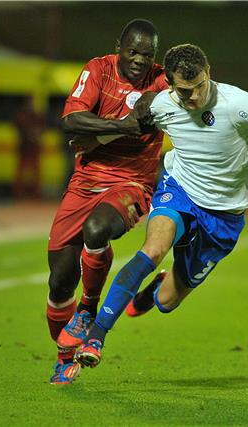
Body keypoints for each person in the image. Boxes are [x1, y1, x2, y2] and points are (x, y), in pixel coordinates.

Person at [70, 43, 248, 370]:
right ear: (169, 84)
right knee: (152, 250)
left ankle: (154, 289)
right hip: (179, 189)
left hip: (223, 217)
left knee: (167, 302)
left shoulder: (236, 103)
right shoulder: (161, 104)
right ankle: (96, 337)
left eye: (199, 87)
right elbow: (130, 127)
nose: (194, 97)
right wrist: (96, 142)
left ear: (209, 74)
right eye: (185, 91)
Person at [46, 18, 168, 385]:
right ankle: (65, 358)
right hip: (84, 182)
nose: (138, 60)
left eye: (146, 55)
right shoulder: (97, 70)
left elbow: (188, 98)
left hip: (133, 182)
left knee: (97, 230)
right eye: (132, 51)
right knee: (58, 283)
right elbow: (71, 121)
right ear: (119, 46)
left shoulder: (162, 82)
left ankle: (88, 309)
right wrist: (125, 127)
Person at [13, 97, 46, 199]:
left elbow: (43, 127)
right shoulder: (24, 116)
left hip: (33, 148)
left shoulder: (35, 115)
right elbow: (19, 127)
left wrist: (37, 134)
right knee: (21, 172)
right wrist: (31, 134)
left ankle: (36, 193)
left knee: (36, 172)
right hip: (25, 148)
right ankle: (19, 193)